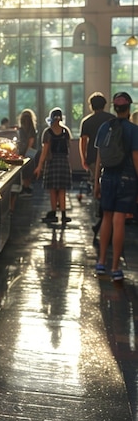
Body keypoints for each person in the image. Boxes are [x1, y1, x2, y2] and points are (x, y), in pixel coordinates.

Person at [94, 92, 138, 282]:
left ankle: (101, 262)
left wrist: (96, 181)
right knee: (119, 221)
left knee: (106, 218)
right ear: (129, 108)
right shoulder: (133, 130)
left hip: (108, 178)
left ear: (114, 107)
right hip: (126, 178)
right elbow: (136, 159)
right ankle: (116, 268)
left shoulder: (105, 127)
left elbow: (99, 158)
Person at [79, 92, 114, 238]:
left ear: (91, 106)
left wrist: (84, 158)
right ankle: (107, 213)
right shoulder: (112, 120)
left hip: (93, 158)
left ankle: (99, 213)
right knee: (109, 185)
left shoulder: (87, 121)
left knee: (96, 184)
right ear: (105, 105)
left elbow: (83, 142)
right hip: (111, 158)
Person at [34, 107, 72, 225]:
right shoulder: (66, 132)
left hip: (52, 162)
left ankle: (53, 212)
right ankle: (64, 214)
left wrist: (39, 166)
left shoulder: (48, 132)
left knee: (52, 190)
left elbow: (45, 152)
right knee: (62, 189)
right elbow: (68, 147)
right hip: (63, 162)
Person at [17, 109, 38, 196]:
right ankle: (27, 187)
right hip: (31, 152)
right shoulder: (32, 129)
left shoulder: (21, 129)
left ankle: (25, 188)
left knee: (25, 170)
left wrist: (24, 153)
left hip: (24, 152)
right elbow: (31, 142)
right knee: (29, 170)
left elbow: (27, 142)